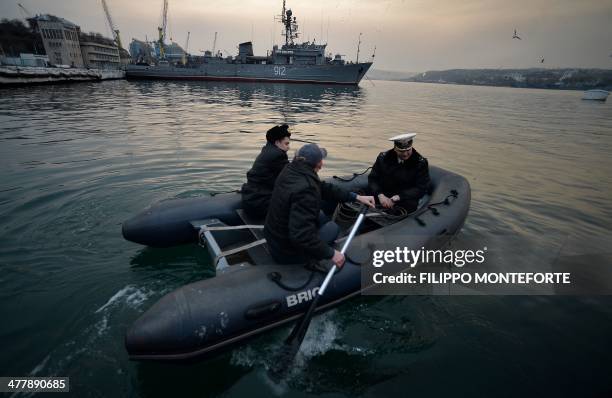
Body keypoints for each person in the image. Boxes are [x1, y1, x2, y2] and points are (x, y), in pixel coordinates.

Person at [264, 143, 375, 267]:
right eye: (321, 159)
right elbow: (300, 235)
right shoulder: (306, 189)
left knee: (321, 215)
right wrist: (331, 253)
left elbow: (323, 188)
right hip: (288, 251)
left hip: (274, 240)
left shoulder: (290, 170)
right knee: (333, 227)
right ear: (319, 164)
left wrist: (356, 197)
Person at [368, 133, 430, 213]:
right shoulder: (383, 158)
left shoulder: (420, 163)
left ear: (411, 147)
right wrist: (380, 195)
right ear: (395, 149)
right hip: (383, 194)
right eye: (401, 151)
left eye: (408, 150)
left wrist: (399, 197)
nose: (405, 154)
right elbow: (372, 178)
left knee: (408, 207)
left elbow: (421, 187)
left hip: (405, 198)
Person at [241, 124, 292, 218]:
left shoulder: (267, 150)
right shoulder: (278, 155)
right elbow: (290, 176)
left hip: (252, 198)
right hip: (261, 203)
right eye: (286, 144)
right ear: (277, 142)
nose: (288, 147)